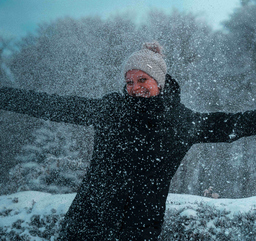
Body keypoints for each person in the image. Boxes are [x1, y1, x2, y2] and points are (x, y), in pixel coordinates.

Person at [1, 41, 256, 241]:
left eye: (142, 80)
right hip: (88, 221)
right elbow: (52, 105)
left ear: (159, 81)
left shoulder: (182, 122)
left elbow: (234, 124)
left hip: (139, 228)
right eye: (129, 82)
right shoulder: (112, 110)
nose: (135, 87)